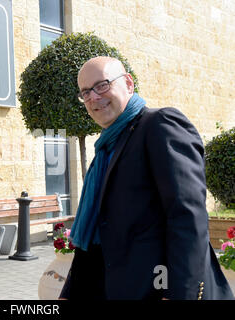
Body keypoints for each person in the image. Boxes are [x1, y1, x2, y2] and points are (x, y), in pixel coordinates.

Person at [59, 56, 234, 300]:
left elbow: (187, 216)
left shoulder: (160, 125)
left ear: (128, 84)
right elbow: (97, 228)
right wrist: (69, 291)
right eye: (85, 92)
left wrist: (176, 294)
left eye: (102, 85)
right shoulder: (107, 147)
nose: (94, 98)